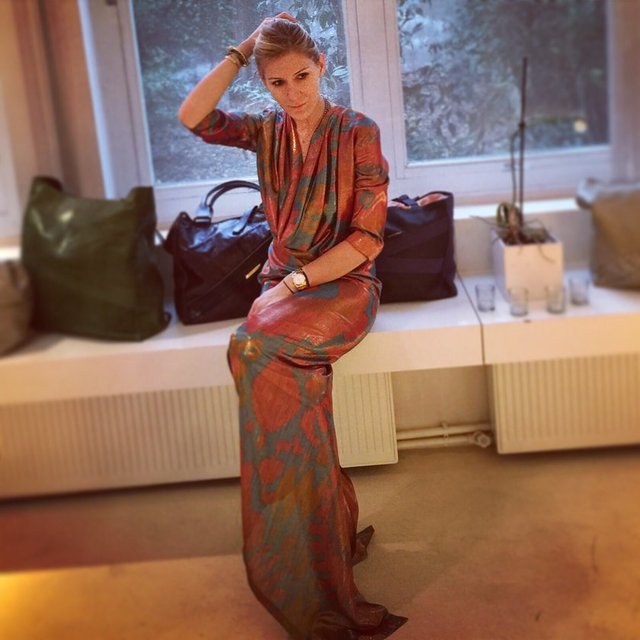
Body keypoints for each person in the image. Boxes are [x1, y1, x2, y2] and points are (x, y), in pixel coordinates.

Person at [178, 13, 407, 640]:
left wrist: (296, 284)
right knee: (278, 383)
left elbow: (368, 239)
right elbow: (193, 117)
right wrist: (242, 50)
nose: (293, 93)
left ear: (321, 66)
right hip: (283, 285)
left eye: (302, 77)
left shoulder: (357, 130)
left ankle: (313, 556)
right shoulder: (265, 132)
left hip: (343, 283)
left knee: (252, 347)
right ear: (265, 85)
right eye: (277, 83)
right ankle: (320, 539)